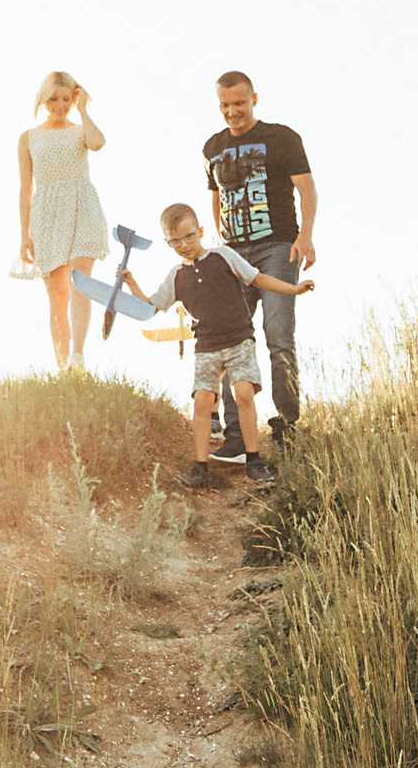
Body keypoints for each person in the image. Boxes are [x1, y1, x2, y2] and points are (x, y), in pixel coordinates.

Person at [122, 201, 314, 489]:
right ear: (167, 242)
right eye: (175, 240)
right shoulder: (176, 275)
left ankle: (254, 461)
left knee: (244, 393)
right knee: (202, 400)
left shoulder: (223, 255)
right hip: (207, 347)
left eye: (189, 236)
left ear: (200, 231)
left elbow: (258, 278)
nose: (184, 245)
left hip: (239, 339)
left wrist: (293, 289)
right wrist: (131, 283)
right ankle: (200, 468)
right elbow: (152, 306)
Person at [203, 70, 317, 458]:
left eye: (239, 103)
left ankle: (287, 422)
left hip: (277, 247)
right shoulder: (212, 147)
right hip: (234, 255)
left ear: (254, 99)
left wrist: (305, 236)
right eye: (225, 105)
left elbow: (307, 189)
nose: (232, 111)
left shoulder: (281, 138)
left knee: (278, 332)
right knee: (231, 338)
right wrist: (220, 246)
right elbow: (216, 197)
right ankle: (236, 432)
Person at [19, 71, 110, 369]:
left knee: (80, 280)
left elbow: (98, 143)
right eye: (53, 99)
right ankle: (62, 366)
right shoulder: (28, 138)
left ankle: (78, 357)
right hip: (47, 215)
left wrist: (83, 110)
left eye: (66, 99)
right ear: (42, 100)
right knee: (56, 294)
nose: (60, 105)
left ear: (74, 98)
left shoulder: (80, 130)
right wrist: (24, 235)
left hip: (82, 207)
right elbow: (25, 189)